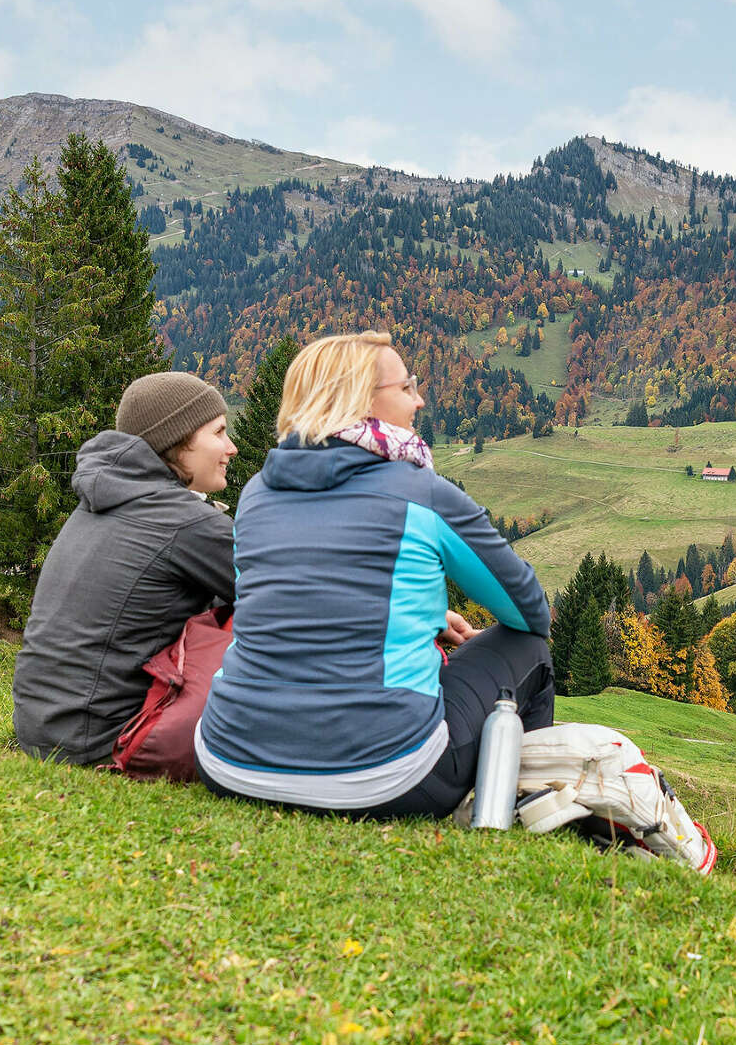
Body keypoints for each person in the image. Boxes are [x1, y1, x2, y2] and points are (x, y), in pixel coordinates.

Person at [196, 331, 553, 817]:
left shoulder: (257, 493)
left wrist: (419, 613)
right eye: (406, 387)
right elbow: (529, 609)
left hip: (230, 763)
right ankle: (521, 811)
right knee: (530, 649)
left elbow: (290, 599)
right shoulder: (423, 492)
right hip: (386, 779)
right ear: (362, 399)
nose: (419, 399)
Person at [12, 371, 240, 764]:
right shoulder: (183, 521)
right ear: (179, 441)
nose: (231, 447)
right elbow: (291, 594)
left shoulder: (104, 501)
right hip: (104, 742)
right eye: (218, 432)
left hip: (42, 732)